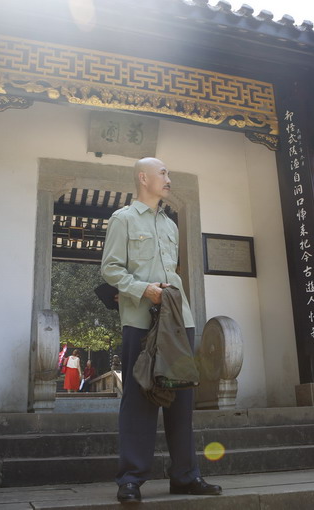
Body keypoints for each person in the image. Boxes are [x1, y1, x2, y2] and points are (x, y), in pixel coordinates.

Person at [101, 157, 221, 504]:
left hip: (179, 320)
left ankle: (185, 476)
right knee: (139, 397)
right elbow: (110, 269)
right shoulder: (122, 219)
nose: (169, 178)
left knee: (181, 399)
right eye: (163, 173)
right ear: (143, 177)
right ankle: (131, 479)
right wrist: (143, 290)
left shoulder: (170, 224)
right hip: (141, 320)